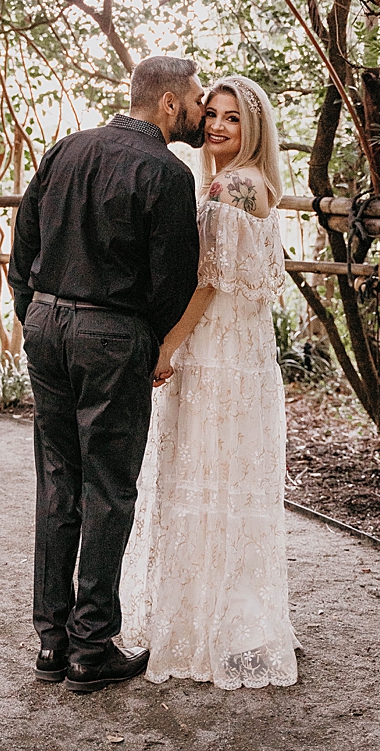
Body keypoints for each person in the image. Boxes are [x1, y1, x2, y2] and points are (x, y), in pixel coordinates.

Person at [8, 55, 207, 694]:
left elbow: (24, 243)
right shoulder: (168, 173)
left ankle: (51, 643)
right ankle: (91, 649)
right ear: (171, 103)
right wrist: (142, 339)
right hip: (112, 332)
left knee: (57, 481)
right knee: (110, 486)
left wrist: (36, 313)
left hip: (47, 324)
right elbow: (172, 280)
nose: (204, 112)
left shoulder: (66, 149)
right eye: (199, 100)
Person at [120, 75, 299, 689]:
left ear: (254, 130)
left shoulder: (230, 185)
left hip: (218, 353)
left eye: (233, 118)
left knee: (205, 477)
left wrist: (168, 343)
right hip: (244, 352)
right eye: (213, 114)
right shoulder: (259, 186)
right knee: (228, 483)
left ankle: (205, 629)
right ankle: (232, 622)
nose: (218, 126)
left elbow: (210, 280)